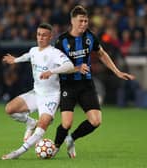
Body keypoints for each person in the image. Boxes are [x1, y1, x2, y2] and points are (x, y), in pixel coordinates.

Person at [53, 5, 135, 158]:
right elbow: (56, 66)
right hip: (68, 85)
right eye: (81, 21)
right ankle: (55, 146)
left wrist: (117, 72)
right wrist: (74, 68)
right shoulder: (61, 41)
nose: (84, 24)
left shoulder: (90, 37)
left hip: (86, 84)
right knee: (67, 123)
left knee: (96, 121)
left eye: (86, 21)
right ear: (72, 21)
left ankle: (71, 139)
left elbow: (102, 54)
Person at [1, 23, 74, 160]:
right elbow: (29, 56)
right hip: (36, 93)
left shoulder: (54, 53)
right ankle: (30, 122)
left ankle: (17, 153)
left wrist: (52, 71)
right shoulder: (34, 50)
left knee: (42, 125)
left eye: (44, 35)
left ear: (50, 37)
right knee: (9, 109)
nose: (41, 38)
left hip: (51, 97)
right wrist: (15, 60)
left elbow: (69, 65)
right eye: (39, 34)